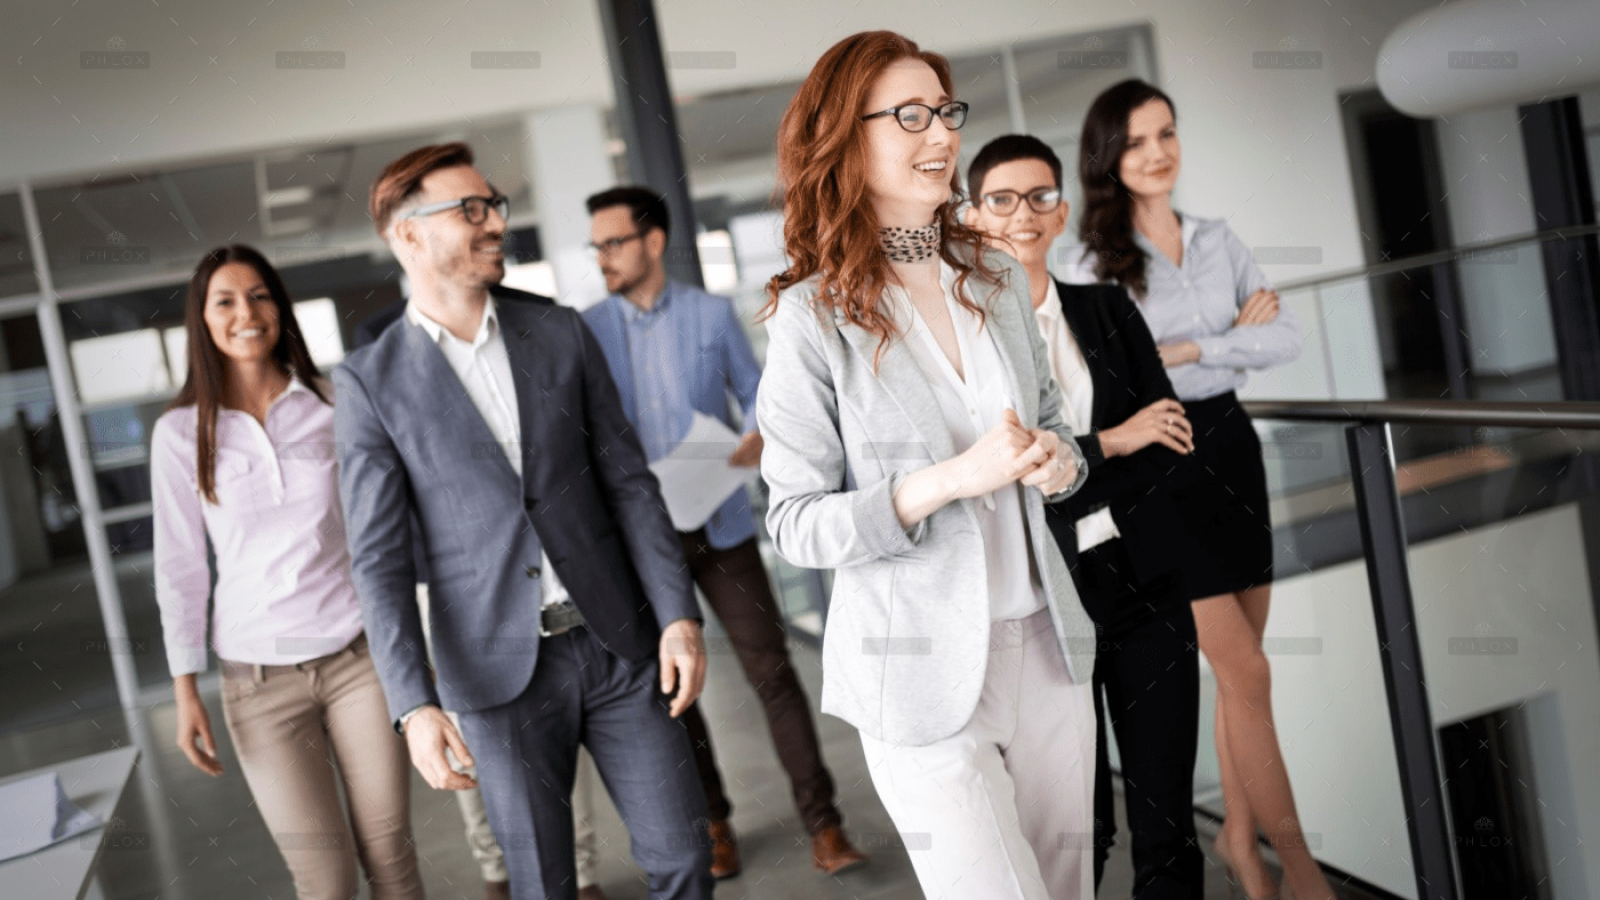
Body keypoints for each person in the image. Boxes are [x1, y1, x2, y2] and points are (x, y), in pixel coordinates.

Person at [756, 30, 1099, 900]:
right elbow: (795, 523)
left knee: (1069, 889)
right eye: (910, 115)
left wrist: (1058, 462)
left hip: (1047, 647)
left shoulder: (994, 275)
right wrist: (947, 481)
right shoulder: (810, 317)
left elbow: (1056, 430)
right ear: (846, 139)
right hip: (916, 671)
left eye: (946, 111)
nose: (942, 133)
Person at [335, 141, 713, 900]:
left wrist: (678, 614)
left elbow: (629, 486)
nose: (496, 223)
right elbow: (377, 561)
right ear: (408, 235)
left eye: (495, 206)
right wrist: (413, 705)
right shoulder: (370, 382)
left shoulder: (559, 331)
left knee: (683, 857)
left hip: (619, 646)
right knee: (543, 884)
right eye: (471, 209)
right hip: (494, 674)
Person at [1067, 79, 1334, 900]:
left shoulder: (1217, 238)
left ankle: (1241, 841)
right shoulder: (1088, 263)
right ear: (1108, 156)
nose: (1158, 153)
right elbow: (1115, 379)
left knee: (1241, 677)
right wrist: (1221, 340)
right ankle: (1304, 872)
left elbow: (1286, 337)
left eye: (1167, 133)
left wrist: (1188, 350)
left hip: (1232, 452)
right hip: (1161, 469)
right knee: (1247, 673)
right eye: (1137, 140)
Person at [580, 185, 868, 879]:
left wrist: (755, 436)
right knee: (677, 686)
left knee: (772, 673)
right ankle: (714, 825)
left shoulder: (711, 316)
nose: (602, 258)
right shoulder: (586, 330)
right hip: (644, 544)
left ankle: (824, 824)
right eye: (596, 247)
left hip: (722, 525)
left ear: (652, 242)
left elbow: (763, 398)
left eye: (613, 243)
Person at [968, 134, 1204, 899]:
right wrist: (1111, 440)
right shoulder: (969, 344)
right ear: (972, 218)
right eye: (1002, 199)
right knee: (1079, 828)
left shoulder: (1106, 307)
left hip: (1147, 588)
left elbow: (1168, 436)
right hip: (1049, 604)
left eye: (1040, 196)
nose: (1023, 214)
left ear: (1062, 210)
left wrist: (1071, 462)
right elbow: (1003, 478)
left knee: (1167, 823)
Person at [151, 244, 423, 900]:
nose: (245, 313)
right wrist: (185, 689)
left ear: (280, 307)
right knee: (325, 880)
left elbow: (382, 532)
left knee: (390, 856)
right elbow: (180, 566)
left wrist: (414, 643)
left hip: (360, 661)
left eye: (259, 296)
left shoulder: (334, 402)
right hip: (258, 683)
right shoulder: (181, 433)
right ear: (202, 320)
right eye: (225, 301)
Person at [355, 296, 611, 900]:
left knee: (554, 742)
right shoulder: (380, 354)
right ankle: (497, 866)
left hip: (529, 580)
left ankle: (581, 870)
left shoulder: (514, 336)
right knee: (471, 741)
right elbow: (381, 537)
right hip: (443, 591)